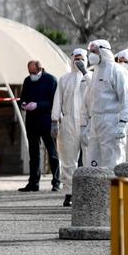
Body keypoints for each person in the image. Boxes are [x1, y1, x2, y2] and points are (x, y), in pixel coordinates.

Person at [80, 39, 128, 171]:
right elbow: (90, 99)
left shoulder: (117, 71)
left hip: (112, 122)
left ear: (103, 52)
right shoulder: (96, 72)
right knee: (93, 161)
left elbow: (127, 98)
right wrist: (87, 124)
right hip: (96, 122)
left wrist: (123, 123)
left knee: (112, 160)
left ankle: (112, 191)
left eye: (94, 51)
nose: (91, 55)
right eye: (90, 52)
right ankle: (96, 191)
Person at [52, 48, 89, 207]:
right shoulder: (64, 79)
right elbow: (57, 100)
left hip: (88, 123)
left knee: (89, 159)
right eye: (76, 58)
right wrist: (55, 120)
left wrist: (86, 73)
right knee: (69, 161)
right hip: (68, 123)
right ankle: (69, 193)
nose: (78, 61)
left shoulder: (92, 78)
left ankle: (89, 192)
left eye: (81, 58)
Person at [18, 60, 60, 192]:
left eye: (34, 72)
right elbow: (22, 97)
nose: (32, 75)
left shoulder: (51, 80)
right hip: (32, 122)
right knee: (33, 154)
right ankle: (33, 183)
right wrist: (24, 104)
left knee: (52, 153)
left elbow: (55, 102)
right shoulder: (27, 81)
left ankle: (57, 182)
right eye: (30, 72)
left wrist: (38, 105)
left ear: (40, 69)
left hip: (46, 121)